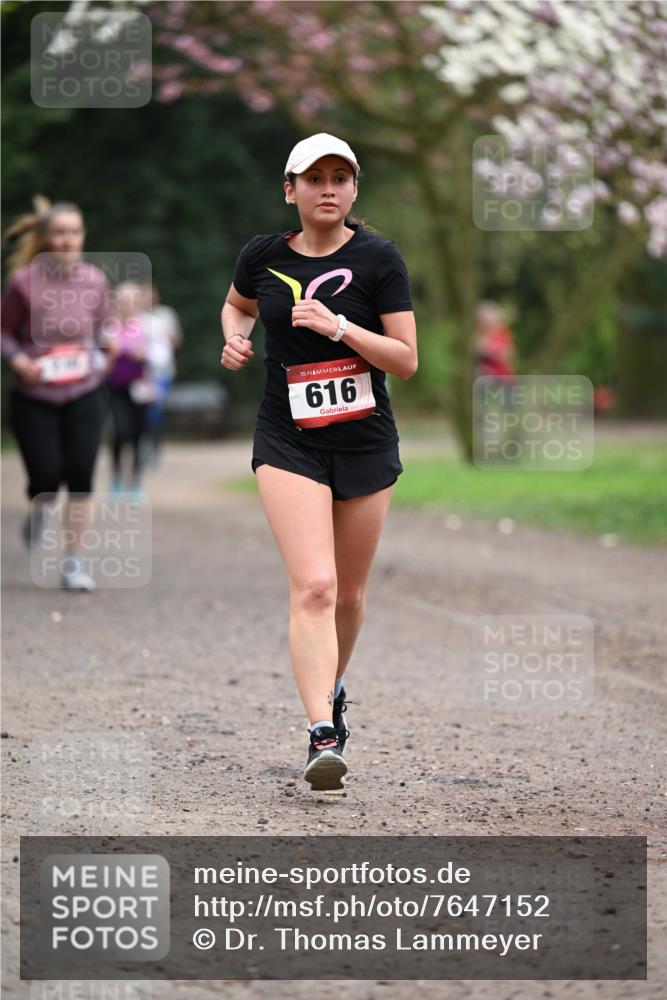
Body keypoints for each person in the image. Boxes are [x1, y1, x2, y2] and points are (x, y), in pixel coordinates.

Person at [220, 133, 417, 791]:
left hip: (363, 442)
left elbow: (404, 359)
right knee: (315, 587)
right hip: (287, 439)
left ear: (354, 190)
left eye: (340, 177)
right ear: (290, 190)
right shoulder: (261, 255)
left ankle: (331, 687)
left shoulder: (378, 259)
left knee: (351, 596)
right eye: (313, 178)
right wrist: (235, 339)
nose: (327, 188)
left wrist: (338, 329)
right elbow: (237, 304)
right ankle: (320, 734)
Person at [1, 195, 114, 591]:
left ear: (83, 236)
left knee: (81, 474)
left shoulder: (95, 280)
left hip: (84, 391)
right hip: (35, 395)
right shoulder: (22, 283)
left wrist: (108, 346)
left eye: (74, 232)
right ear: (46, 238)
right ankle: (40, 507)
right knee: (46, 477)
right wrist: (18, 362)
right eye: (60, 233)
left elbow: (104, 328)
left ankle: (73, 564)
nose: (68, 241)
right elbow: (4, 333)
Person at [104, 281, 152, 497]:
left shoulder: (149, 325)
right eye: (123, 300)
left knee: (138, 435)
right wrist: (109, 354)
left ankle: (135, 483)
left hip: (141, 387)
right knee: (120, 431)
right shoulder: (108, 325)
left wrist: (146, 354)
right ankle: (115, 479)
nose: (127, 304)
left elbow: (163, 357)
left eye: (132, 300)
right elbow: (97, 357)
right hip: (114, 387)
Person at [140, 284, 183, 465]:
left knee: (155, 410)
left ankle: (154, 448)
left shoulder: (166, 314)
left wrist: (161, 338)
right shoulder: (137, 318)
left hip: (162, 372)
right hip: (141, 374)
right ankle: (144, 446)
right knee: (143, 412)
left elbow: (176, 339)